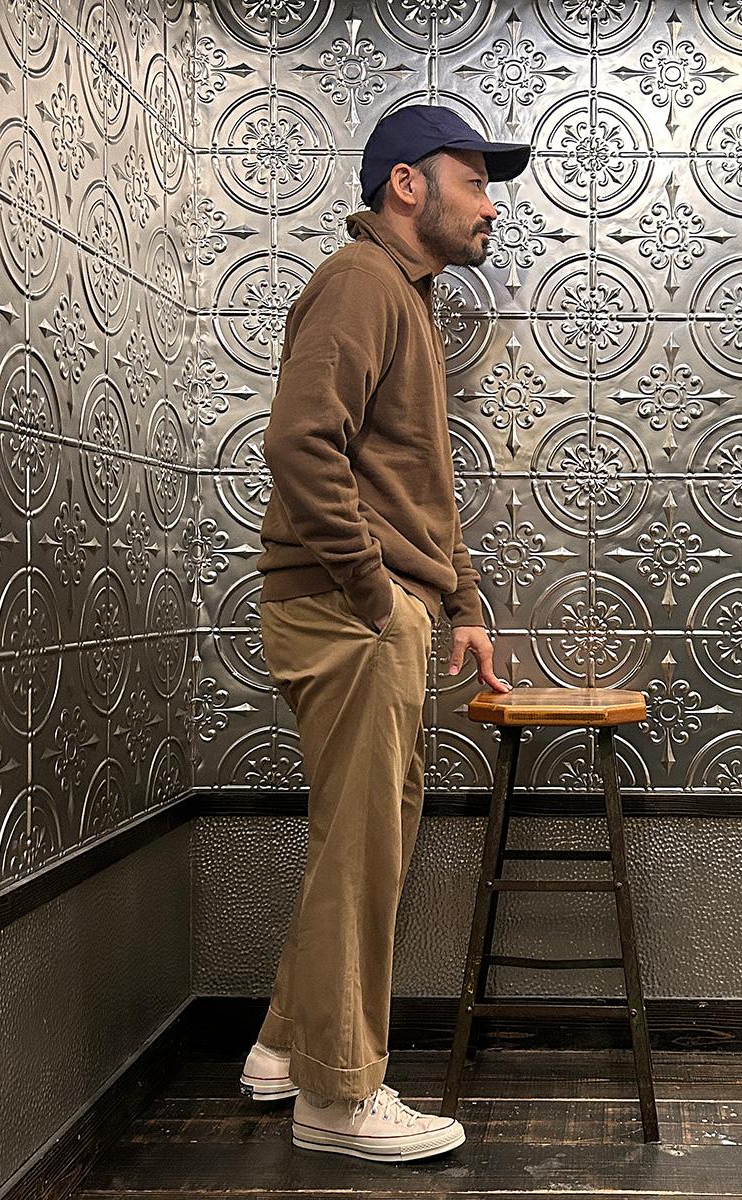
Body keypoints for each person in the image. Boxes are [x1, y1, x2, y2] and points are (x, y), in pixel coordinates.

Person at [238, 104, 529, 1164]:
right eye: (475, 180)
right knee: (364, 850)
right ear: (409, 184)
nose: (490, 205)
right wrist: (377, 597)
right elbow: (300, 444)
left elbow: (413, 484)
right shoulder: (361, 282)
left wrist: (461, 605)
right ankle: (337, 1097)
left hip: (372, 611)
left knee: (359, 845)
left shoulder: (404, 298)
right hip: (347, 613)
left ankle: (285, 1049)